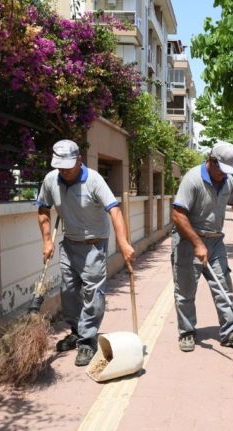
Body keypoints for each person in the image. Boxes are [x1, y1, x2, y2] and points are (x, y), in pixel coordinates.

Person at [36, 139, 135, 367]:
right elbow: (43, 208)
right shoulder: (51, 180)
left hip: (94, 246)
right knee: (68, 291)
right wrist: (46, 240)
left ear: (79, 160)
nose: (64, 171)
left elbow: (115, 211)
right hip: (69, 244)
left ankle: (88, 339)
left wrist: (123, 242)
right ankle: (76, 331)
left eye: (68, 166)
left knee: (93, 293)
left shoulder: (94, 180)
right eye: (59, 166)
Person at [171, 142, 233, 352]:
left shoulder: (228, 181)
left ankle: (229, 332)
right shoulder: (192, 179)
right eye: (221, 169)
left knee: (224, 288)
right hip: (188, 241)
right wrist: (197, 243)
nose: (224, 175)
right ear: (211, 161)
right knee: (185, 290)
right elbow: (177, 214)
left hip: (216, 241)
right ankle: (187, 332)